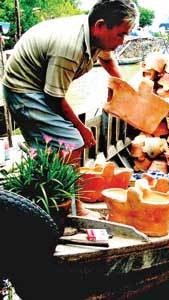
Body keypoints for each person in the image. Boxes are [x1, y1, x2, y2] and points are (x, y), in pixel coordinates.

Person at [1, 0, 139, 217]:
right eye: (121, 34)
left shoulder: (96, 37)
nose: (123, 41)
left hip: (41, 87)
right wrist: (82, 128)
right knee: (72, 142)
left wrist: (124, 89)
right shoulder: (70, 47)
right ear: (101, 26)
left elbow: (108, 59)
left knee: (50, 150)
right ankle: (73, 209)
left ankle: (46, 204)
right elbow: (54, 96)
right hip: (24, 90)